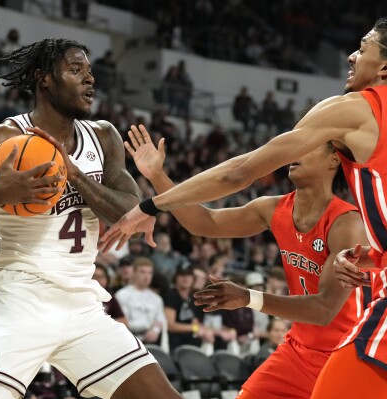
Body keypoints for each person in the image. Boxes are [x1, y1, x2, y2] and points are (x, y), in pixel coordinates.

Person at [102, 7, 387, 399]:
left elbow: (240, 172)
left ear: (386, 67)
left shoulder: (358, 108)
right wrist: (373, 258)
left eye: (363, 47)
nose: (352, 56)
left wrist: (150, 206)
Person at [0, 38, 181, 399]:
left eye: (90, 73)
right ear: (44, 79)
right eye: (76, 71)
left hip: (82, 305)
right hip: (18, 300)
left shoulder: (103, 137)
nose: (90, 80)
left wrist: (74, 175)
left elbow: (130, 215)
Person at [124, 125, 368, 397]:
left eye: (307, 145)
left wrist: (248, 297)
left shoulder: (347, 223)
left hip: (344, 353)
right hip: (298, 351)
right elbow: (204, 222)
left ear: (334, 159)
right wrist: (158, 176)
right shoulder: (273, 208)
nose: (294, 151)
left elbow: (324, 309)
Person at [114, 257, 167, 345]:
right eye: (142, 272)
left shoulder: (157, 298)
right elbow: (123, 321)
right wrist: (147, 326)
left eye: (149, 273)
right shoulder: (122, 295)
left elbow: (160, 319)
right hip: (128, 340)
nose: (146, 276)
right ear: (134, 273)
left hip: (151, 342)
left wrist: (155, 331)